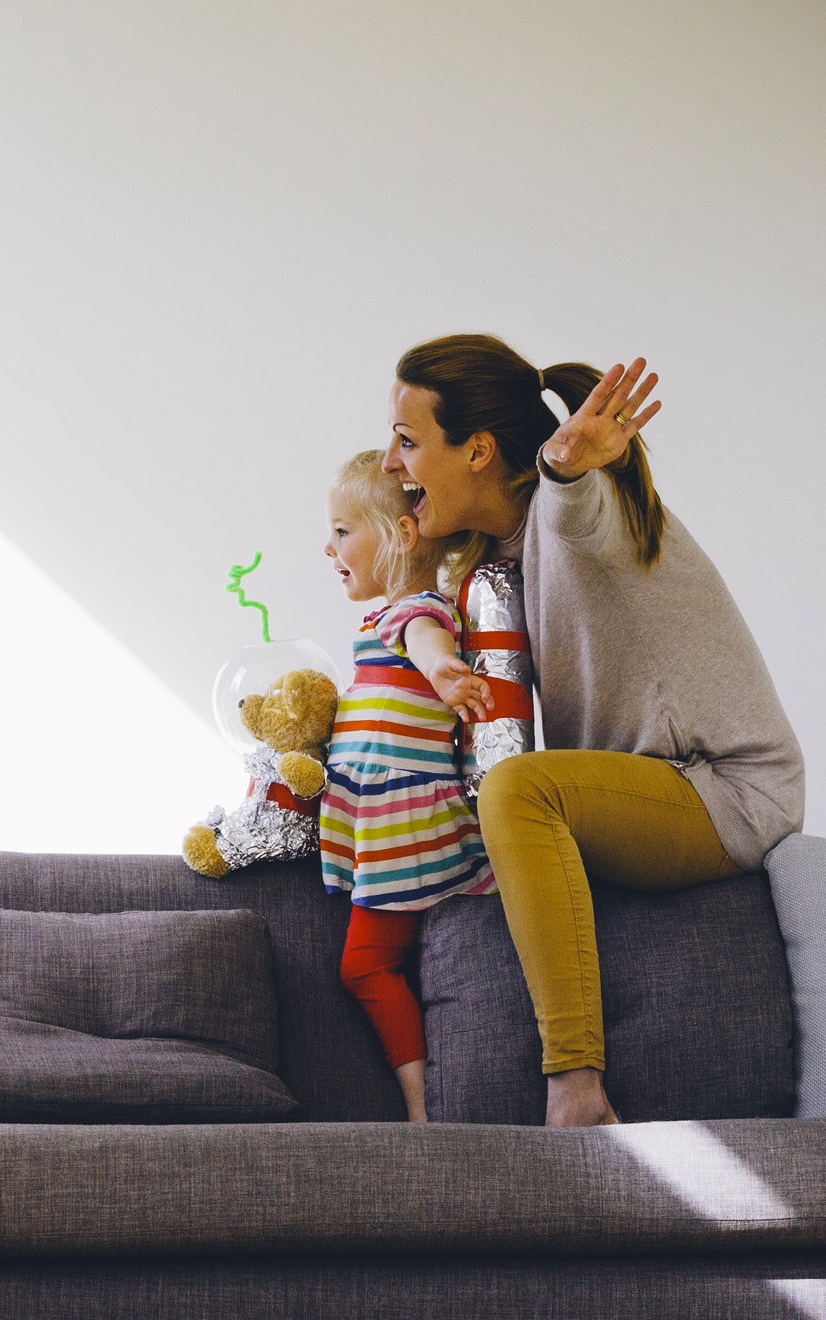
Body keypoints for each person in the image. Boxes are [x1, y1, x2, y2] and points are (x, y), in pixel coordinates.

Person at [381, 333, 805, 1126]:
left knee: (518, 790)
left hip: (728, 788)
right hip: (661, 788)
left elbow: (579, 506)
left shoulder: (569, 512)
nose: (389, 464)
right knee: (505, 787)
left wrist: (568, 465)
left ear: (479, 451)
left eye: (407, 441)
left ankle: (575, 1088)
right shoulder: (490, 566)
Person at [319, 450, 497, 1122]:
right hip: (379, 822)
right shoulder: (378, 622)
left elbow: (426, 640)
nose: (327, 547)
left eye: (342, 531)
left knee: (362, 967)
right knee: (374, 964)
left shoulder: (416, 611)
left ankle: (421, 1105)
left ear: (400, 534)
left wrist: (445, 670)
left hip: (400, 824)